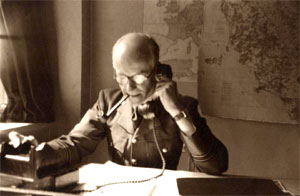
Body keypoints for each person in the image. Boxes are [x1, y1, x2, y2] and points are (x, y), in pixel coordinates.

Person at [7, 32, 228, 178]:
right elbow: (75, 144)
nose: (129, 87)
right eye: (122, 77)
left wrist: (178, 114)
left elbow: (216, 166)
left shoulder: (183, 107)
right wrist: (36, 151)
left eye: (139, 76)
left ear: (157, 72)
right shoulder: (108, 101)